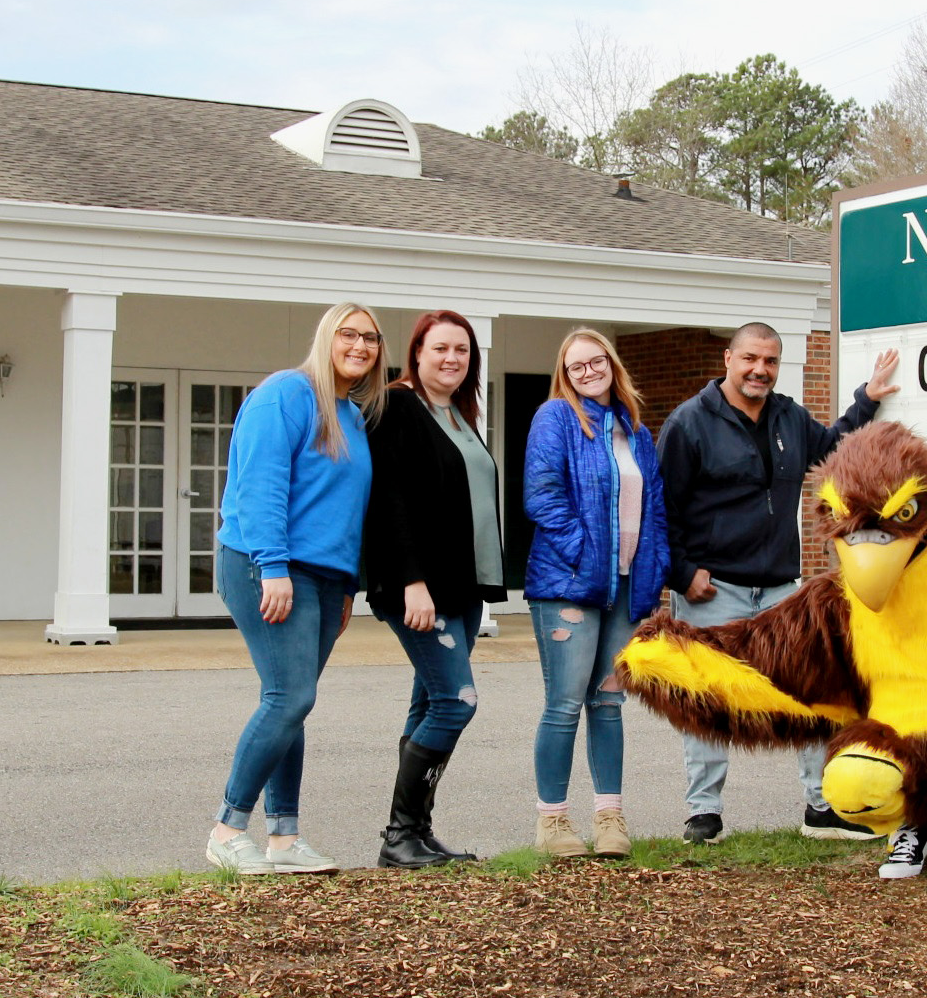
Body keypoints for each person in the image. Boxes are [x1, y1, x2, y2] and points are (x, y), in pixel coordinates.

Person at [657, 322, 899, 844]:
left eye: (769, 361)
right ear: (728, 358)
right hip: (712, 587)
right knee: (708, 698)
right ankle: (704, 813)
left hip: (780, 588)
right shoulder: (688, 423)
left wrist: (867, 400)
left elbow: (831, 447)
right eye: (750, 358)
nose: (759, 370)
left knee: (813, 689)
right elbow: (664, 510)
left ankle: (821, 806)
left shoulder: (789, 415)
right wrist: (681, 572)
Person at [206, 302, 387, 876]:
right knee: (290, 697)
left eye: (371, 338)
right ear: (326, 337)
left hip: (325, 578)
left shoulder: (352, 415)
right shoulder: (287, 393)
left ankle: (283, 839)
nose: (360, 346)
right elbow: (260, 485)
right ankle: (227, 829)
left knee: (292, 702)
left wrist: (347, 588)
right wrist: (273, 566)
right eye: (348, 334)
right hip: (267, 564)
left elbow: (347, 510)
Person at [363, 309, 504, 868]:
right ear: (417, 352)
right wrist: (411, 582)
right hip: (421, 588)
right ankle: (400, 834)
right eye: (440, 348)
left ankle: (412, 835)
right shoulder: (397, 407)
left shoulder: (459, 414)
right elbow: (388, 501)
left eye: (462, 351)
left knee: (428, 700)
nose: (452, 359)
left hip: (463, 587)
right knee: (456, 700)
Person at [522, 329, 669, 859]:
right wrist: (587, 555)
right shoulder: (556, 418)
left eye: (596, 360)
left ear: (612, 363)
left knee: (609, 704)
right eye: (576, 365)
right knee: (563, 704)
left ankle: (610, 818)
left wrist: (653, 577)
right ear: (566, 374)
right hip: (569, 586)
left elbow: (654, 512)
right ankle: (552, 823)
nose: (588, 371)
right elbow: (542, 498)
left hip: (627, 589)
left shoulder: (637, 432)